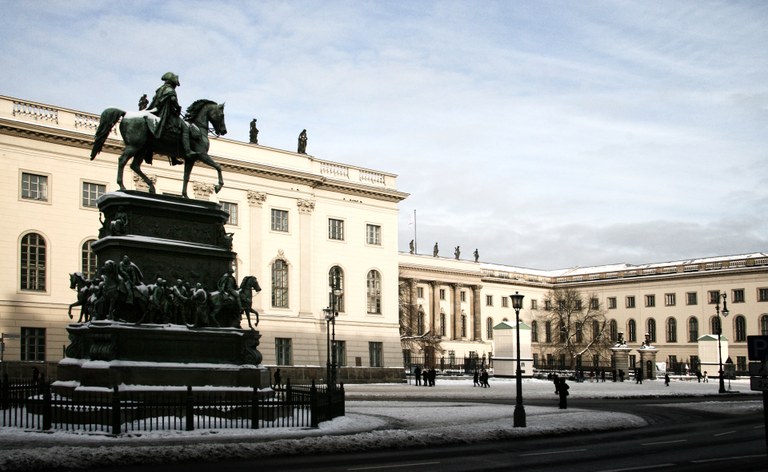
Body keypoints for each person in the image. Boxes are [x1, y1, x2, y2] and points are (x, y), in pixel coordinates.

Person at [147, 72, 196, 162]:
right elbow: (173, 100)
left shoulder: (160, 89)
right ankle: (188, 151)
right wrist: (178, 107)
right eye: (175, 84)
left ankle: (173, 157)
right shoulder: (170, 90)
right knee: (185, 128)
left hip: (157, 112)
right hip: (166, 114)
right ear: (172, 83)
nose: (176, 86)